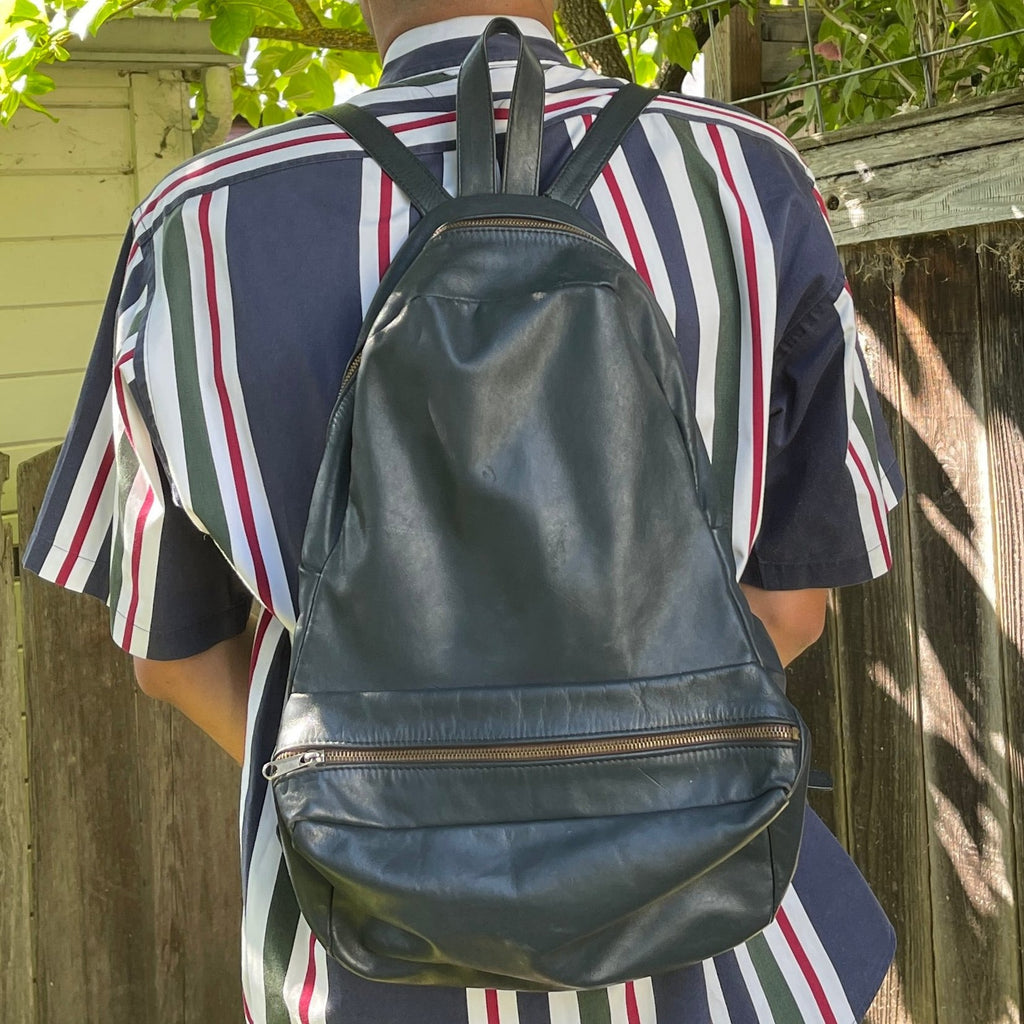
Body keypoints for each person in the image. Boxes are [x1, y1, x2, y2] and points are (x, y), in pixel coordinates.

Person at [23, 1, 904, 1020]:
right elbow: (790, 612)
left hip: (363, 954)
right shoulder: (748, 178)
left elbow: (171, 658)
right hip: (732, 948)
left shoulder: (194, 226)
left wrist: (410, 808)